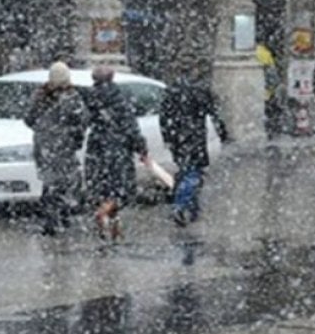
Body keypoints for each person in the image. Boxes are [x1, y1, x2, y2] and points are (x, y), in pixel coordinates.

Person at [25, 61, 90, 236]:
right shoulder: (72, 97)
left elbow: (28, 119)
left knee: (49, 182)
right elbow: (81, 123)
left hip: (44, 145)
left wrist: (43, 130)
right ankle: (61, 216)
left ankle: (51, 219)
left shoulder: (40, 96)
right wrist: (74, 139)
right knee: (64, 182)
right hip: (63, 146)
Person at [84, 66, 148, 241]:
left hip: (96, 148)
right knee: (120, 190)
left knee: (100, 187)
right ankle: (103, 214)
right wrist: (141, 147)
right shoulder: (119, 97)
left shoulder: (89, 97)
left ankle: (110, 228)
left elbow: (84, 121)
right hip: (117, 148)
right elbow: (130, 126)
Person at [161, 66, 231, 226]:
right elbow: (215, 113)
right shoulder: (200, 90)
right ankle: (180, 205)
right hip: (194, 136)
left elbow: (163, 116)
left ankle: (193, 210)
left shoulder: (172, 91)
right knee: (193, 172)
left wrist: (167, 136)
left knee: (186, 170)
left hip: (177, 137)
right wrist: (223, 133)